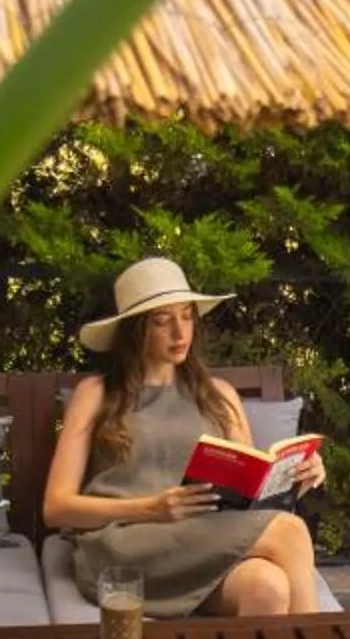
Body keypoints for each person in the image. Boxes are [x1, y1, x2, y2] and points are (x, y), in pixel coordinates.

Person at [44, 256, 326, 619]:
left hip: (202, 544)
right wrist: (151, 508)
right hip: (127, 543)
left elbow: (252, 497)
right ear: (134, 330)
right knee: (290, 531)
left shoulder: (219, 395)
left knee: (268, 587)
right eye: (162, 321)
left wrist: (295, 478)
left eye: (187, 316)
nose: (180, 333)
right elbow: (55, 508)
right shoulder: (96, 393)